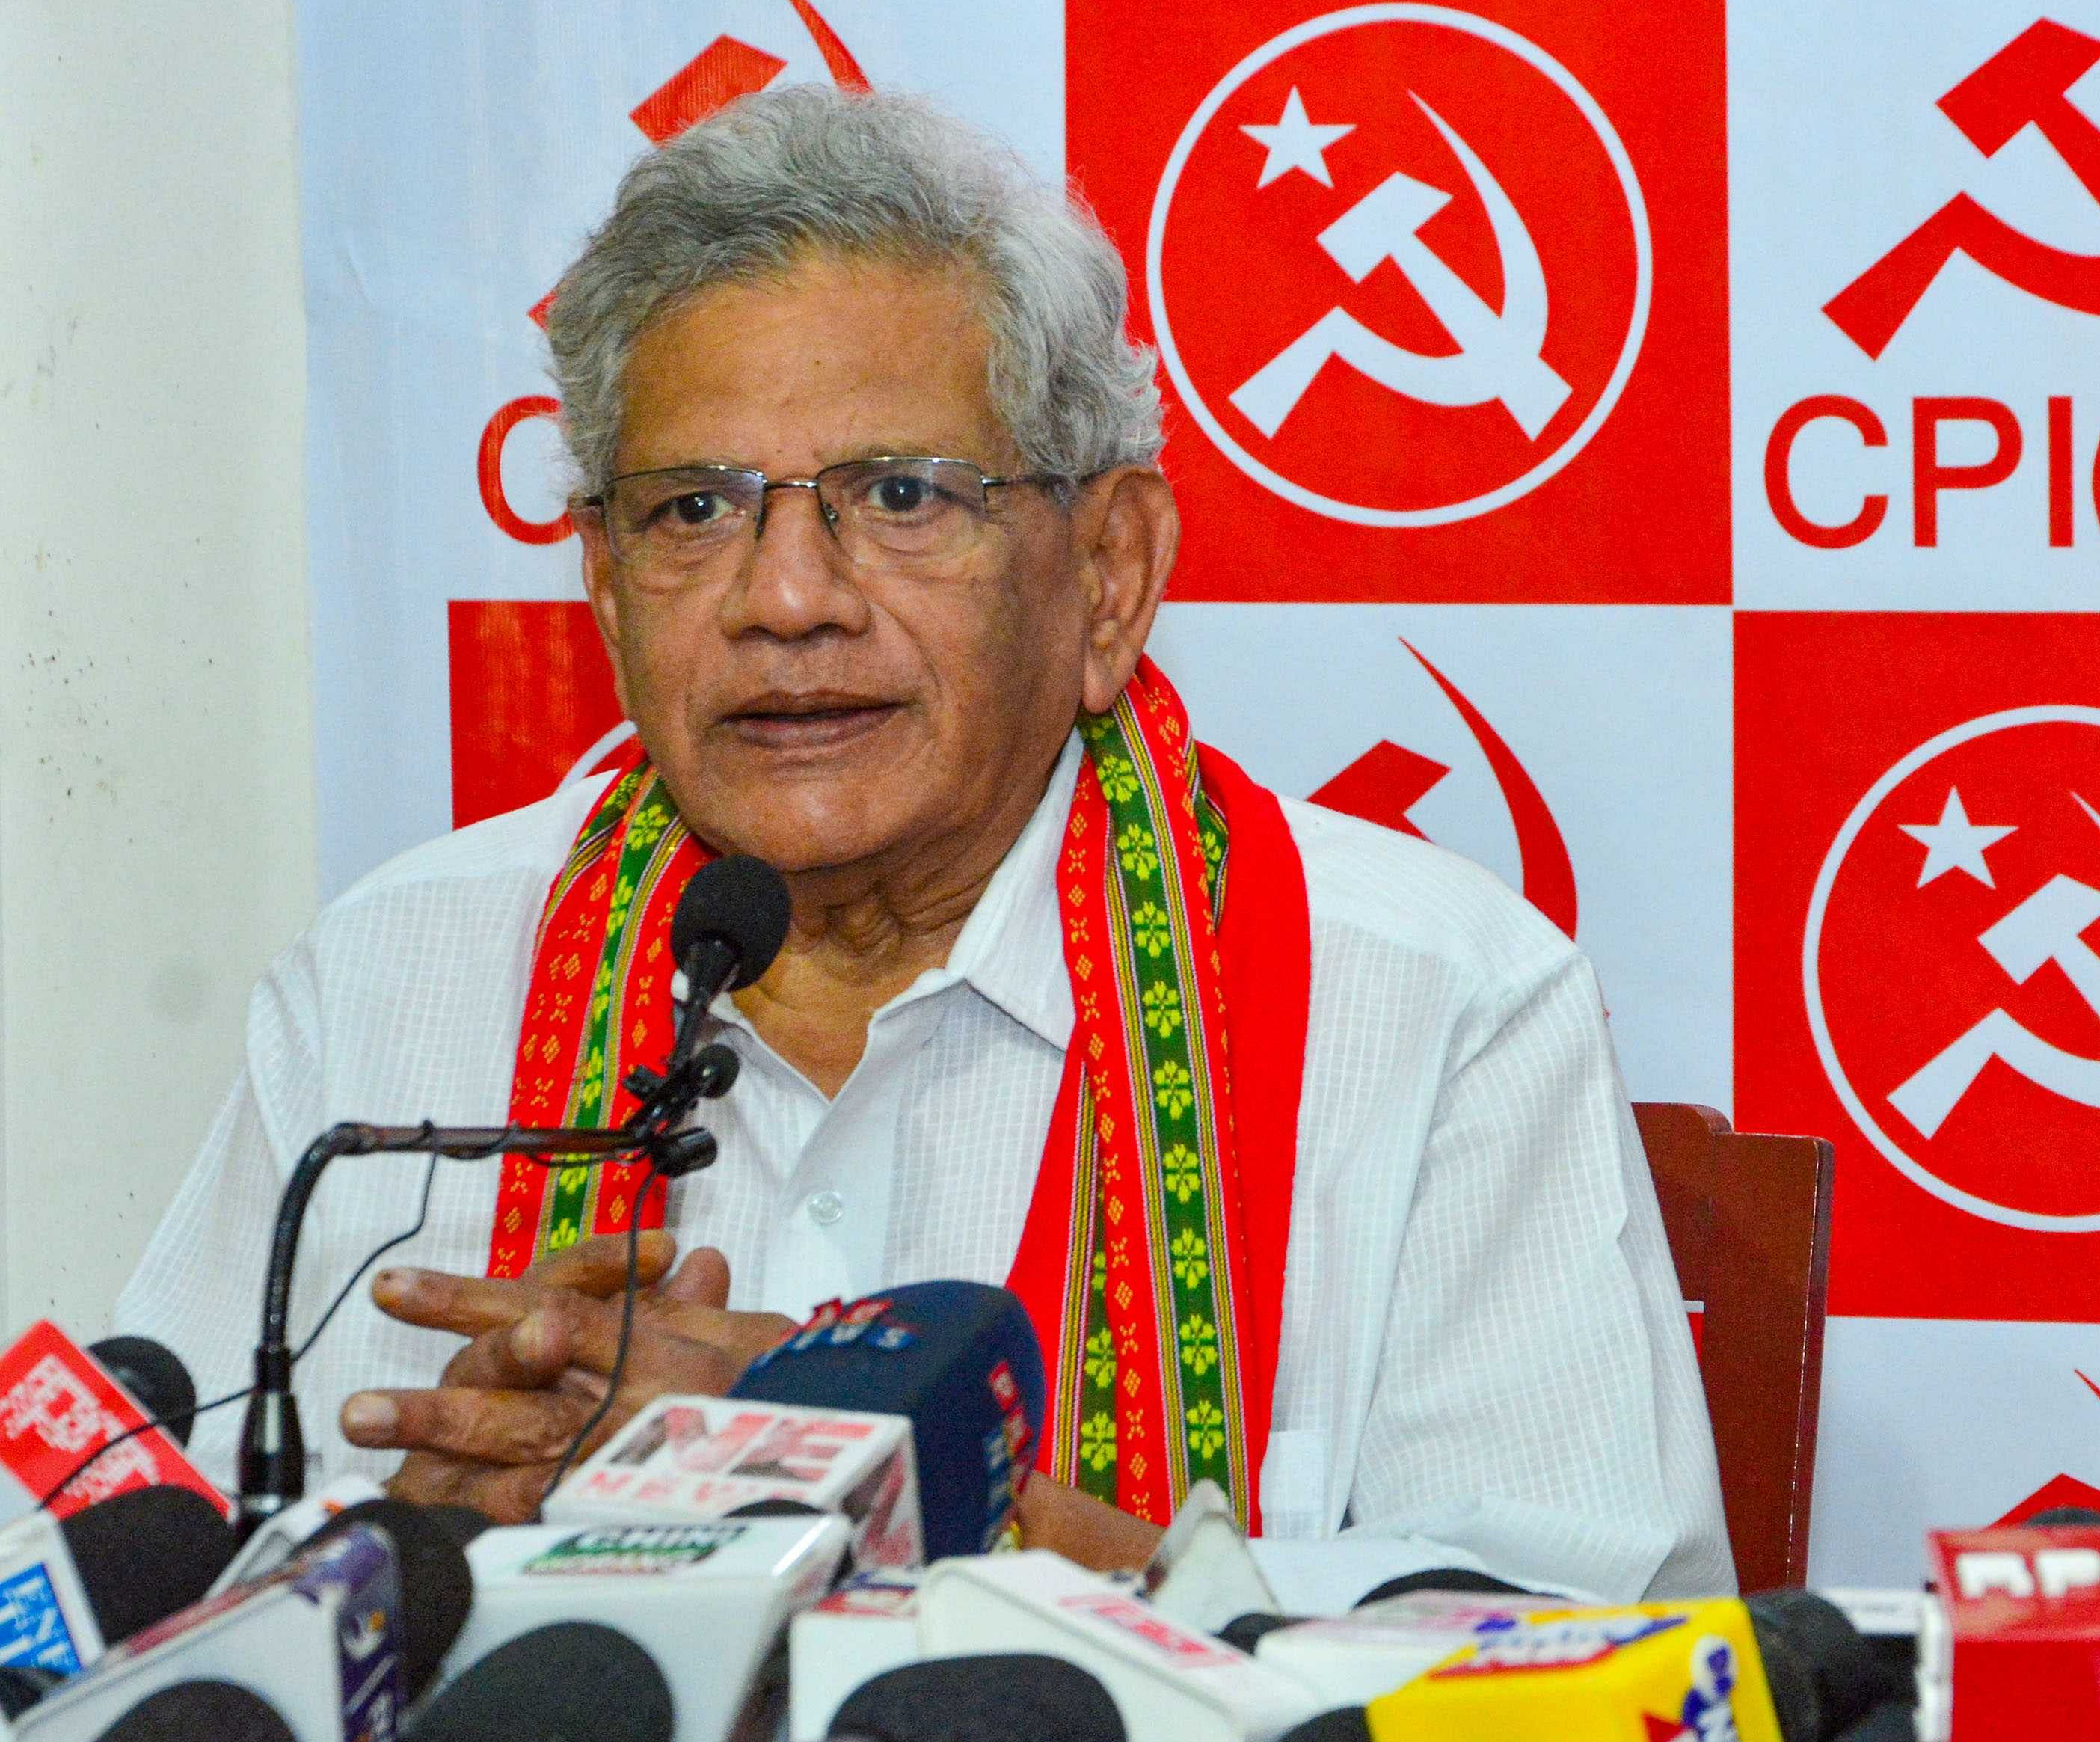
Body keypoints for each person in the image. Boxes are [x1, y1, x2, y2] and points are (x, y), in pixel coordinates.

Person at [120, 86, 1733, 1610]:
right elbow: (131, 1594)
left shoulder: (1432, 1004)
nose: (788, 596)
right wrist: (423, 1561)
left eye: (901, 496)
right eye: (693, 511)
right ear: (604, 587)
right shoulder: (394, 982)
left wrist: (881, 1487)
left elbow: (1585, 1670)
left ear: (1108, 573)